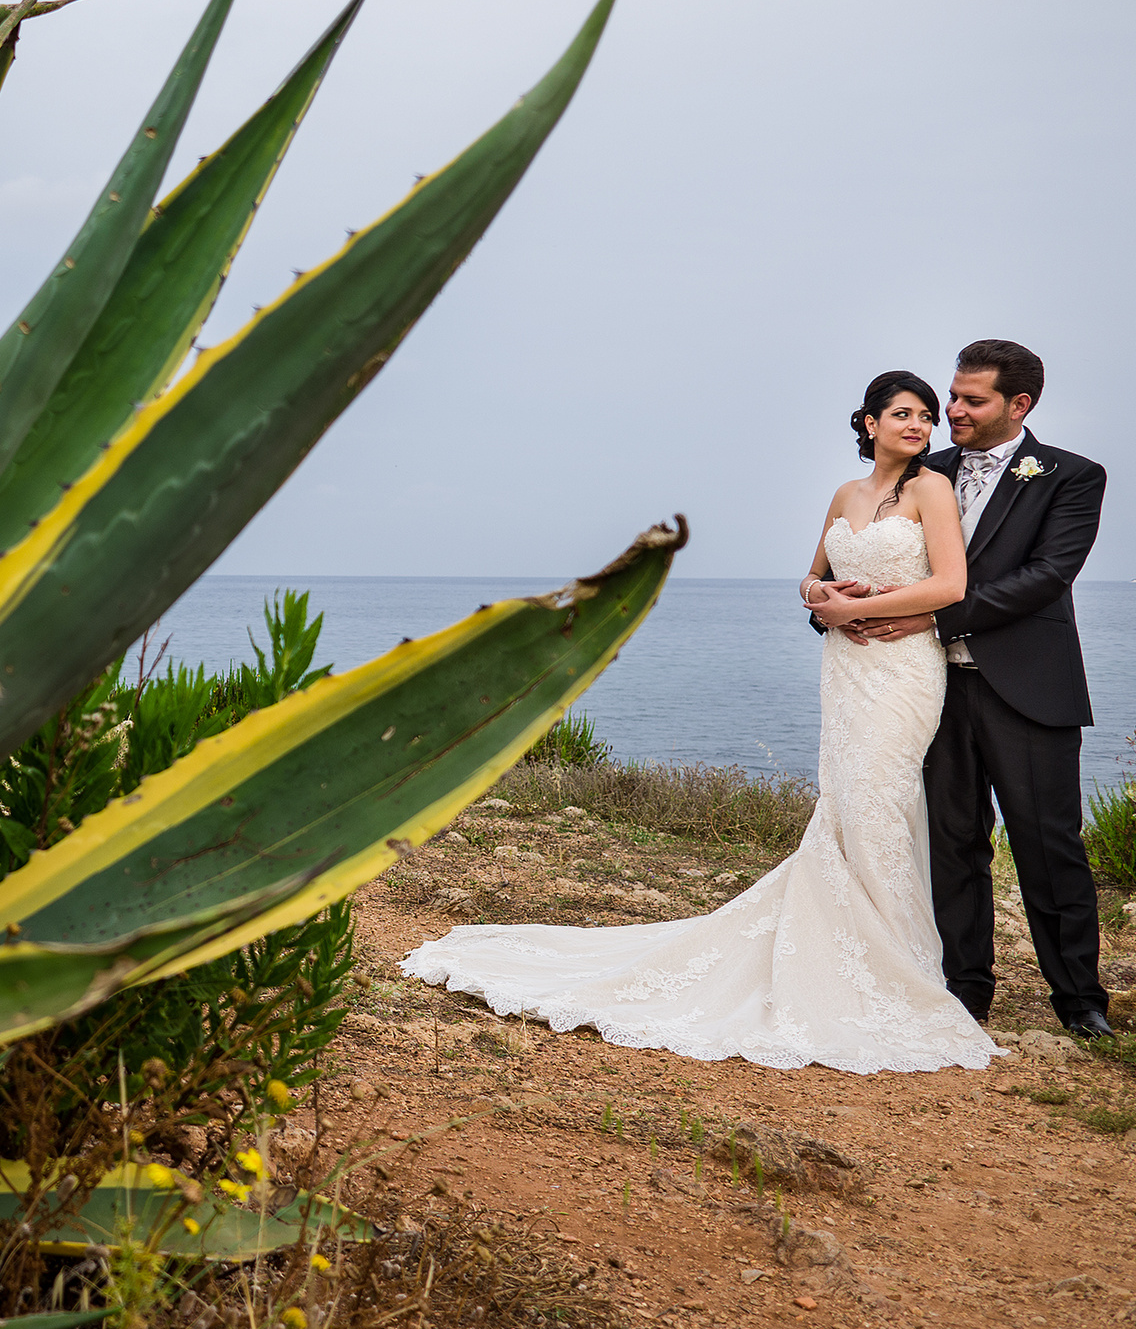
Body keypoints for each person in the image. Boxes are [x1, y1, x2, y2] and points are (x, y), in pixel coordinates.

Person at [401, 371, 1001, 1073]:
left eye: (926, 415)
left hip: (900, 669)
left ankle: (895, 958)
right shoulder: (846, 494)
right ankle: (845, 941)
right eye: (902, 413)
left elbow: (950, 585)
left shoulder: (932, 489)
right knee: (844, 799)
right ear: (869, 423)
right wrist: (821, 594)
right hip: (845, 668)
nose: (919, 425)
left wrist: (855, 609)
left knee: (880, 796)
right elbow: (809, 577)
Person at [839, 340, 1109, 1037]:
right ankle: (965, 990)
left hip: (1029, 688)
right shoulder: (923, 472)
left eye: (971, 400)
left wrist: (934, 616)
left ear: (1019, 405)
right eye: (952, 396)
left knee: (1049, 845)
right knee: (953, 843)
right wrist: (833, 605)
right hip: (931, 689)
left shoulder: (1072, 476)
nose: (951, 410)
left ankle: (1079, 1000)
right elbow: (867, 558)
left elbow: (1046, 575)